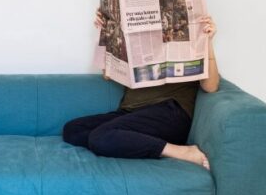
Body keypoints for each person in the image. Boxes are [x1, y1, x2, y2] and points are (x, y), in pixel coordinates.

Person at [62, 12, 220, 169]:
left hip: (169, 111)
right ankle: (134, 141)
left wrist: (207, 41)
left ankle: (179, 151)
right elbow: (107, 75)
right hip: (131, 112)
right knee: (73, 130)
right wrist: (105, 33)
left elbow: (211, 87)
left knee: (100, 138)